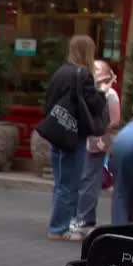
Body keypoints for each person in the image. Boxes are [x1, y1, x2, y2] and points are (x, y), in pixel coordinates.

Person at [43, 35, 107, 241]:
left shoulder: (60, 72)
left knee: (61, 181)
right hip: (74, 134)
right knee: (70, 183)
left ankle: (59, 223)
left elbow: (49, 102)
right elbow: (94, 104)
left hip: (58, 132)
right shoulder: (83, 74)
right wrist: (103, 93)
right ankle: (59, 228)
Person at [73, 60, 122, 235]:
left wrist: (98, 130)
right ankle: (83, 216)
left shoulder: (110, 94)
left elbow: (115, 121)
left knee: (89, 179)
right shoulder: (90, 91)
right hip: (85, 138)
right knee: (85, 179)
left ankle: (85, 218)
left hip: (97, 139)